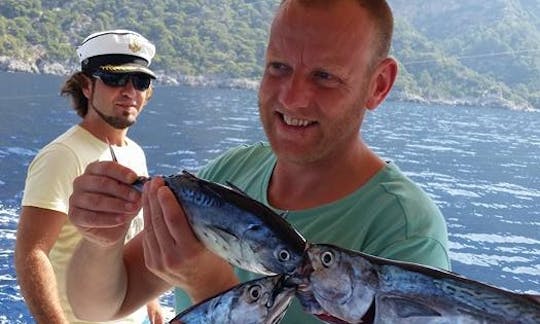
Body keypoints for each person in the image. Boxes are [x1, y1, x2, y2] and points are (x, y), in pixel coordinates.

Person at [66, 1, 450, 323]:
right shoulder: (228, 174)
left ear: (378, 84)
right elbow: (99, 307)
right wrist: (103, 240)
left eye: (325, 76)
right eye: (278, 67)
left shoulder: (407, 233)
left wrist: (211, 287)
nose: (293, 98)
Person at [15, 30, 163, 324]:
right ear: (86, 86)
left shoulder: (135, 153)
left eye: (140, 81)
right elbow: (31, 253)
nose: (129, 91)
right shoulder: (63, 155)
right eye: (114, 79)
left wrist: (153, 304)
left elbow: (134, 240)